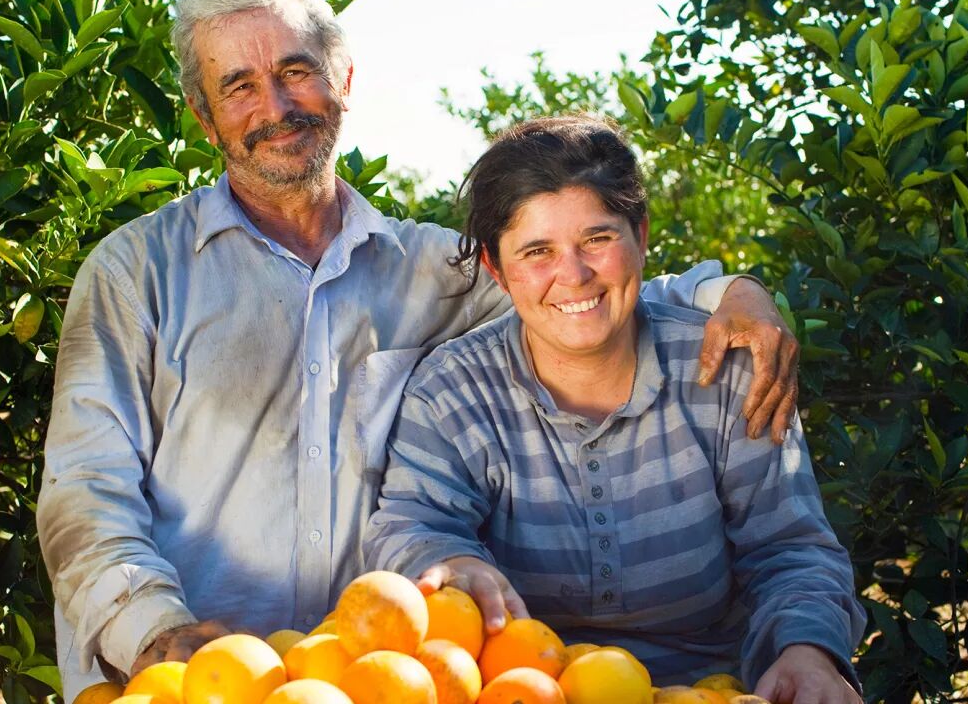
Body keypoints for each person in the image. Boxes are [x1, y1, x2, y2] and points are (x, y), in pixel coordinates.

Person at [35, 0, 802, 697]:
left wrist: (731, 291)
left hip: (367, 678)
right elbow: (85, 491)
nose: (275, 107)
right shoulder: (135, 274)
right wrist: (155, 634)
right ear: (205, 120)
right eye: (238, 86)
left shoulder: (439, 271)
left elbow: (582, 287)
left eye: (297, 71)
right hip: (186, 681)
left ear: (344, 82)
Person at [364, 117, 864, 702]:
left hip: (711, 688)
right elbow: (411, 520)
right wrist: (445, 557)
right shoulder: (452, 392)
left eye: (597, 239)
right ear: (497, 270)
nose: (572, 275)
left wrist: (807, 652)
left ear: (641, 235)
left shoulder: (725, 374)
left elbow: (790, 548)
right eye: (537, 251)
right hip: (524, 687)